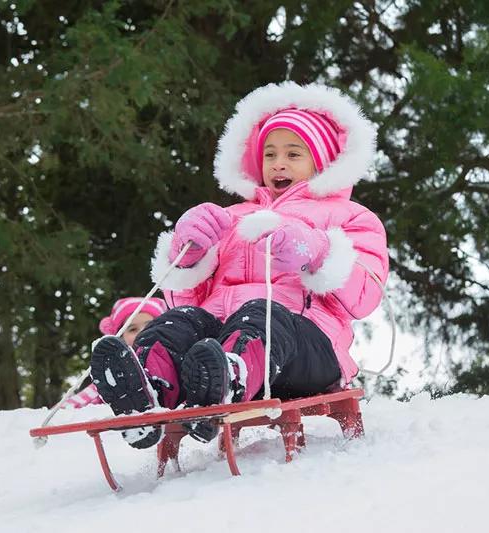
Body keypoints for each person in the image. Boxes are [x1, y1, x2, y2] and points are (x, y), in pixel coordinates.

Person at [90, 82, 389, 448]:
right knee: (178, 322)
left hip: (308, 350)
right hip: (218, 342)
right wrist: (190, 250)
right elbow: (183, 298)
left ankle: (227, 379)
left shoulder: (350, 217)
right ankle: (150, 390)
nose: (278, 163)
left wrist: (313, 248)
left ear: (322, 162)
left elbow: (366, 293)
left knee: (261, 314)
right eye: (270, 154)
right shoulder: (232, 218)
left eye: (294, 154)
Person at [59, 297, 168, 408]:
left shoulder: (175, 363)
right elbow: (76, 404)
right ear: (121, 338)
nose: (142, 332)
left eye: (150, 326)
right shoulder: (114, 376)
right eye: (132, 329)